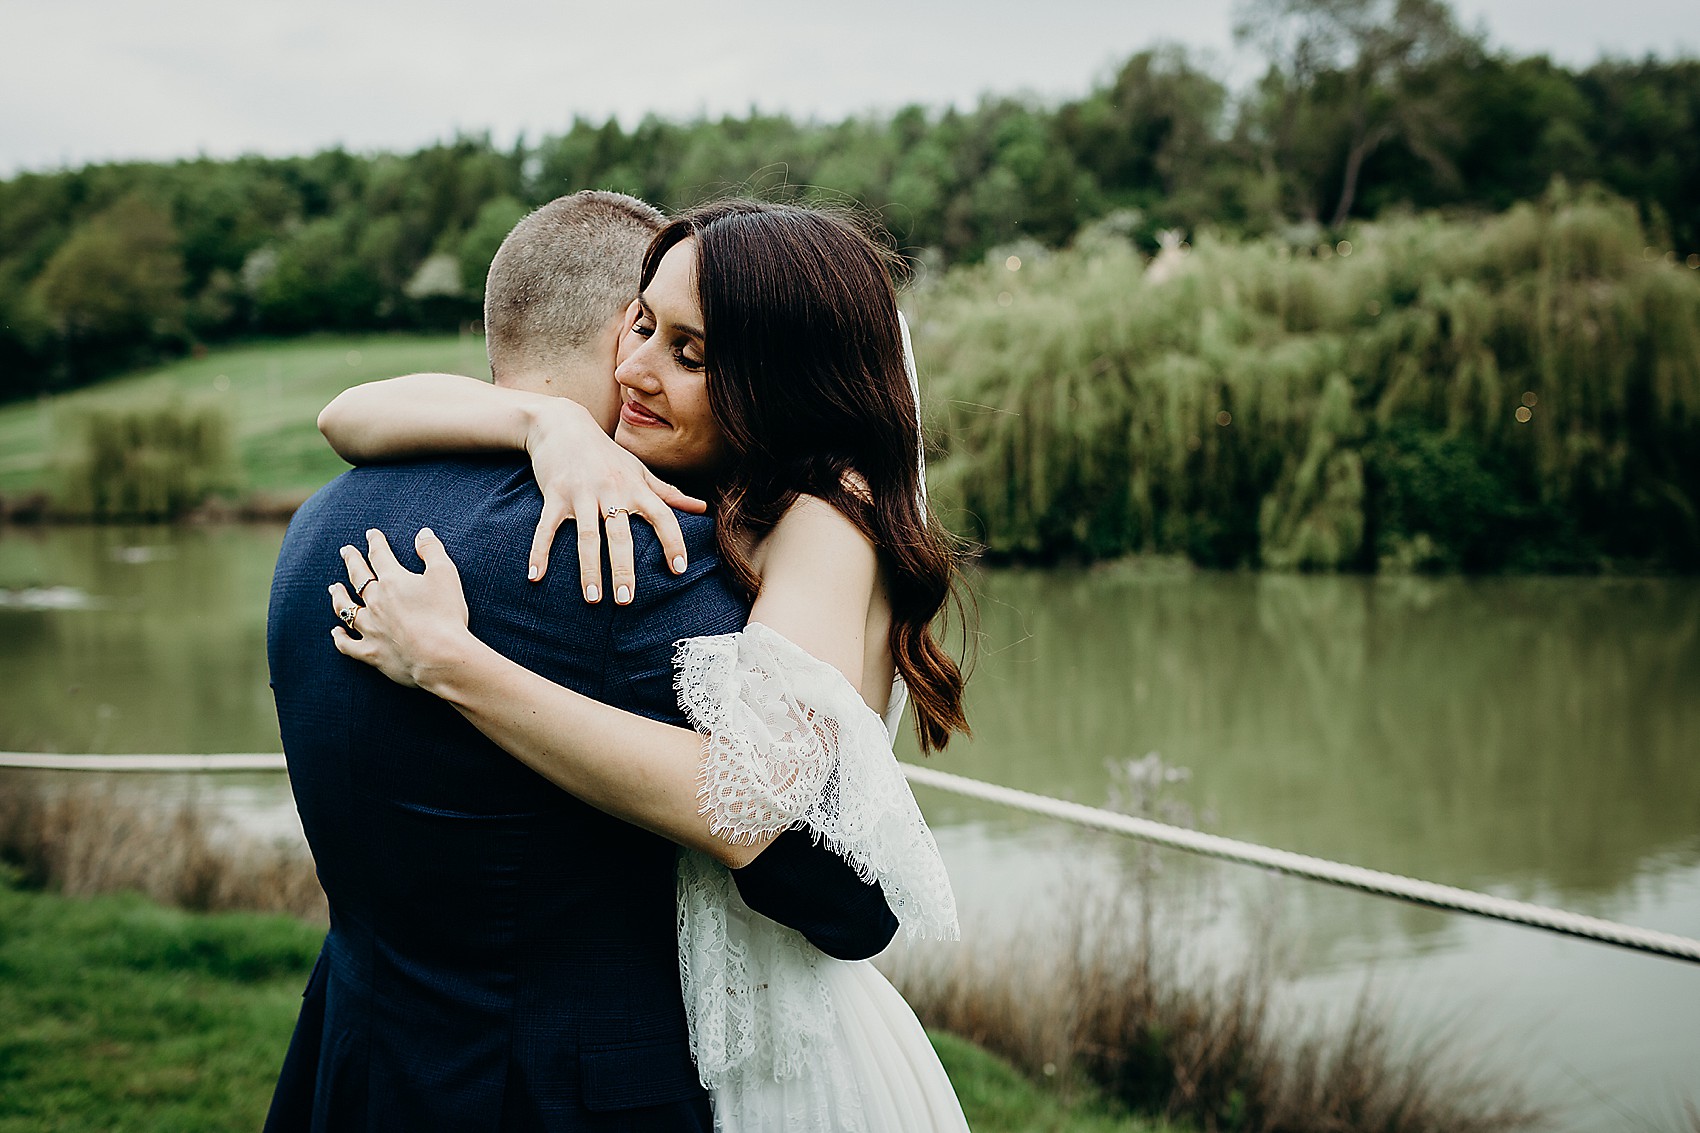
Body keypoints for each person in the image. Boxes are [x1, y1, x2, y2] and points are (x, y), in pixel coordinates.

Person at [318, 198, 973, 1131]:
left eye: (690, 353)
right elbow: (346, 414)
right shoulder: (736, 489)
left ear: (782, 377)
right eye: (642, 324)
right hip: (712, 1034)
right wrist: (548, 426)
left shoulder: (828, 515)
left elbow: (749, 802)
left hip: (793, 1063)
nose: (633, 369)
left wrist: (451, 663)